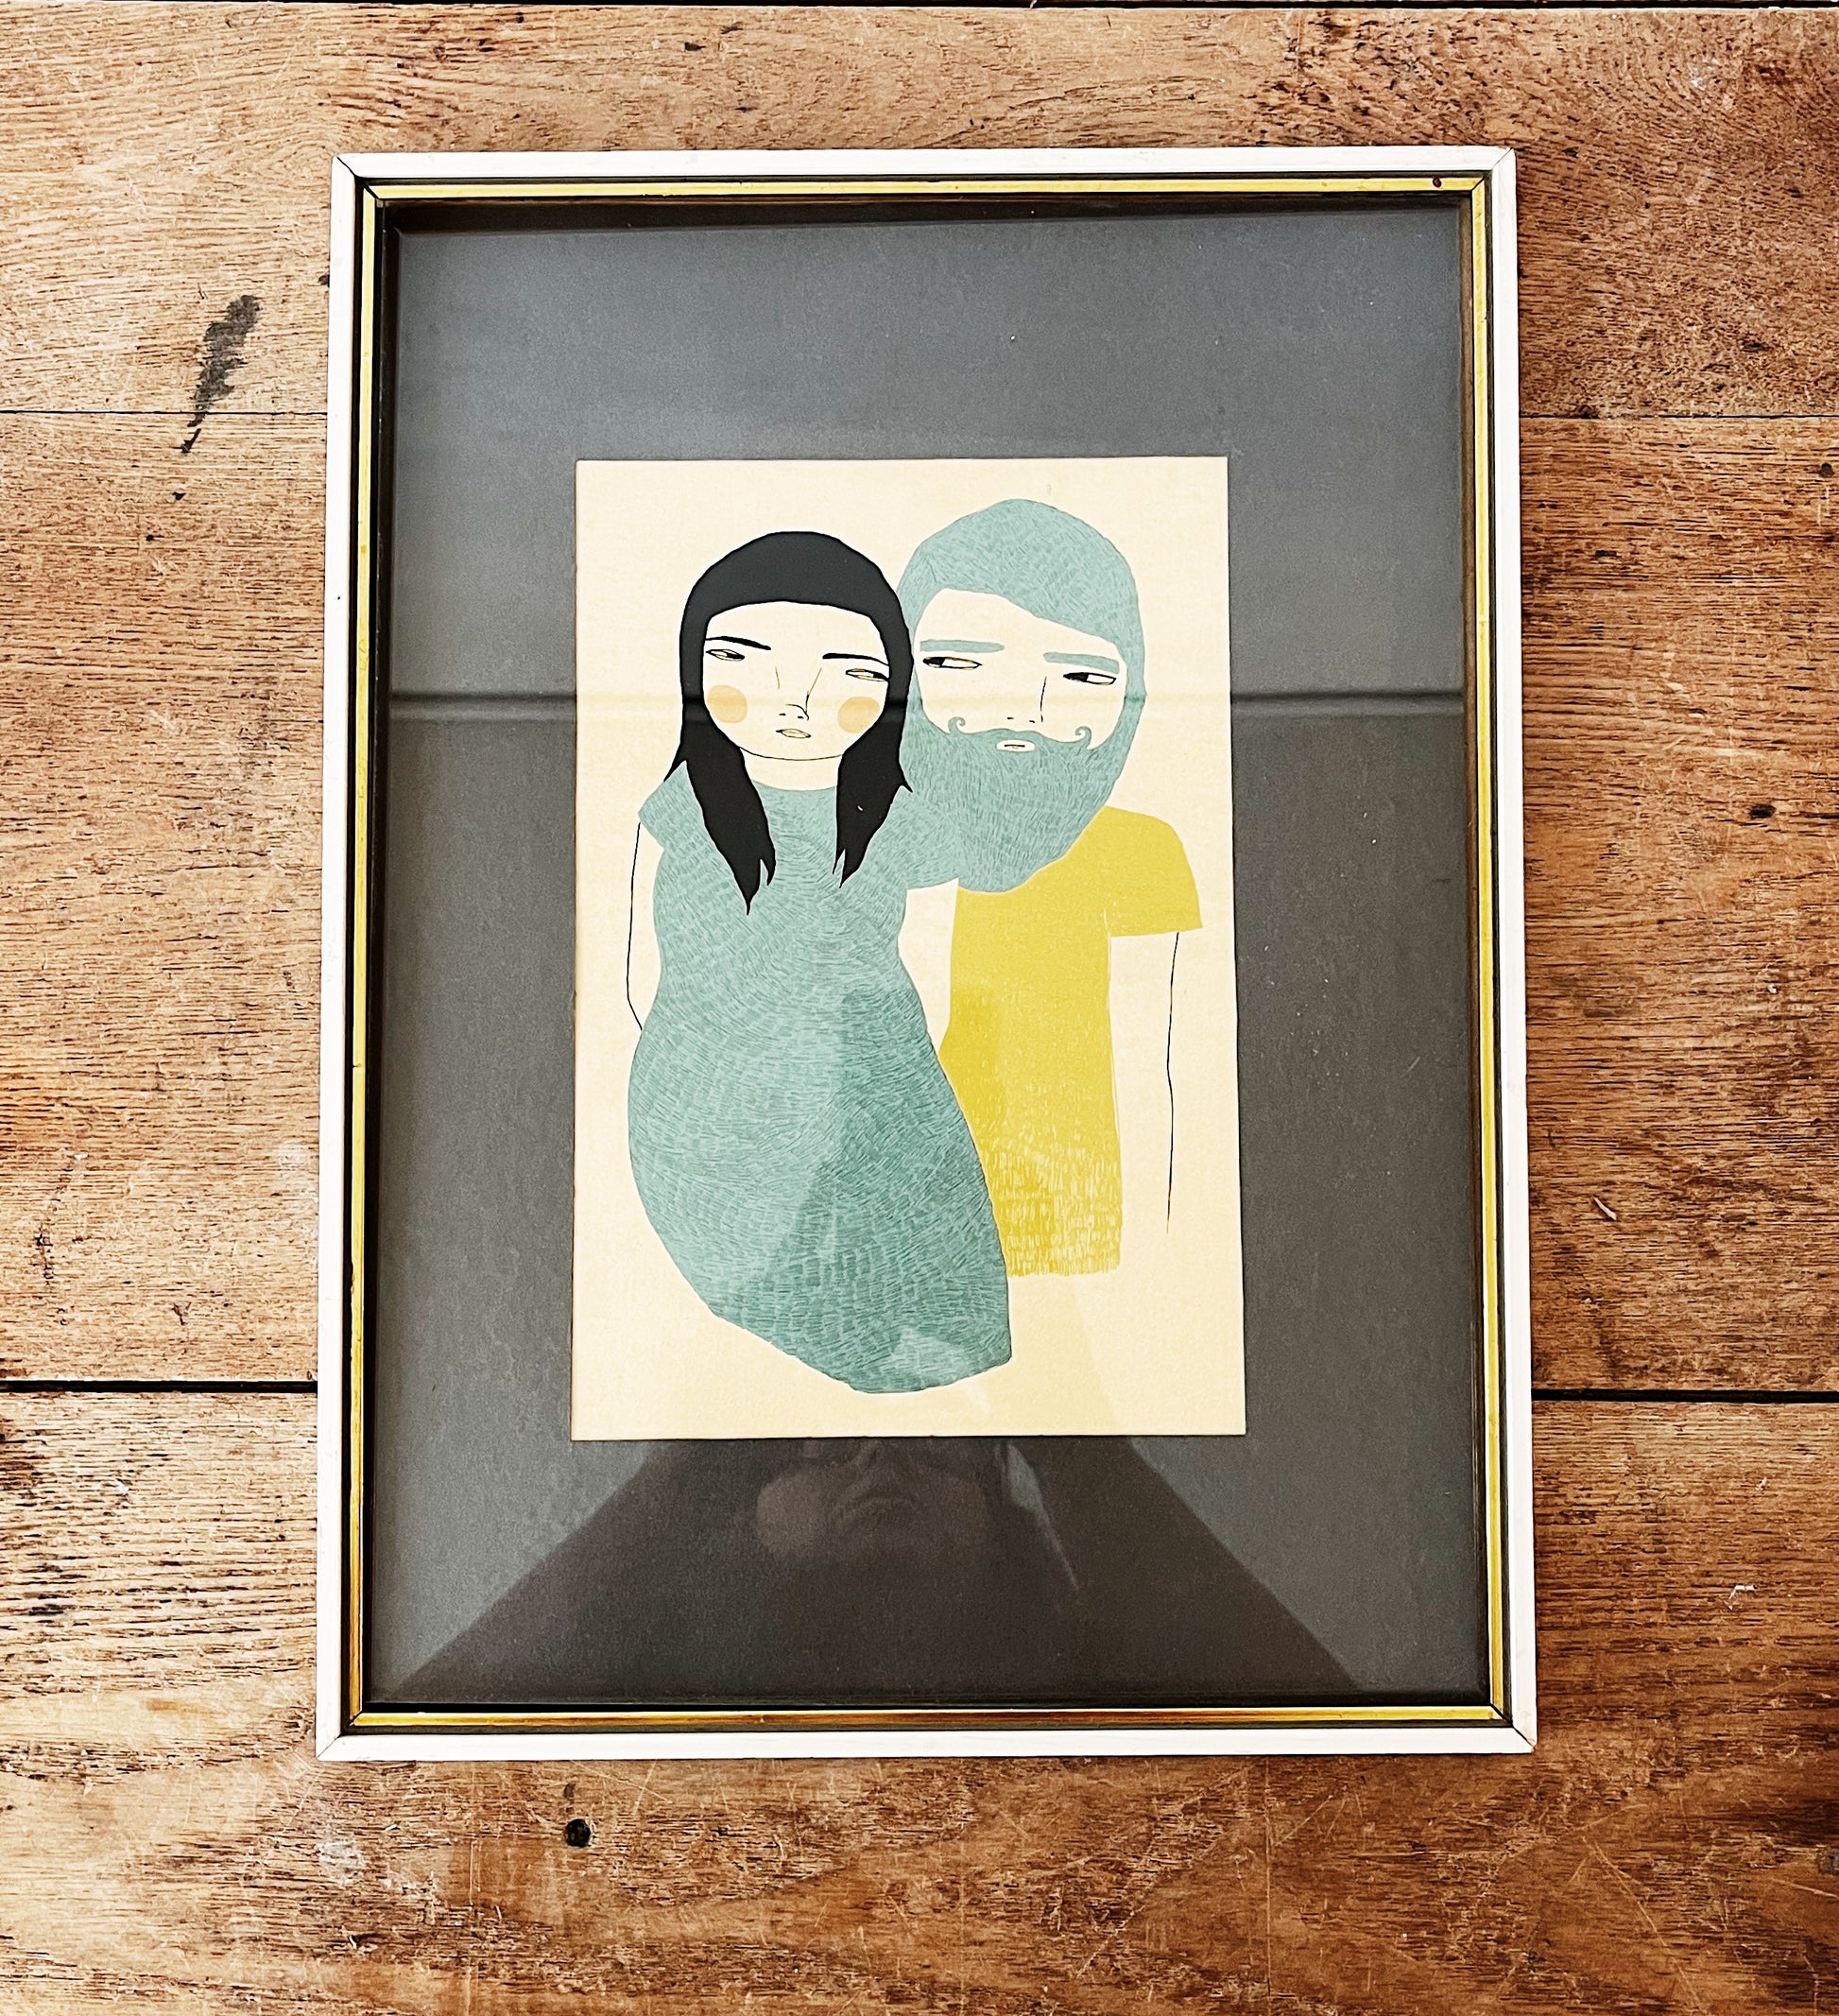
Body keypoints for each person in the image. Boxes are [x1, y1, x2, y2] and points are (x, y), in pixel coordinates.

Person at [624, 531, 1010, 1393]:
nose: (793, 700)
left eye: (846, 672)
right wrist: (726, 1066)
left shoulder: (899, 820)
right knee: (783, 1286)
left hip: (875, 1075)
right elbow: (633, 975)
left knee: (929, 1298)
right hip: (713, 1095)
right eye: (743, 661)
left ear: (892, 689)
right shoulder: (678, 812)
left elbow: (949, 956)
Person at [397, 1439, 1355, 1709]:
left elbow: (1323, 1744)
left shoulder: (1085, 1666)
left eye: (938, 1448)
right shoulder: (661, 1671)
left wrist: (1072, 1442)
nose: (883, 1460)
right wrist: (704, 1452)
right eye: (819, 1447)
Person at [898, 502, 1202, 1276]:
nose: (1021, 708)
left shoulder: (1138, 851)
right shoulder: (864, 845)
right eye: (961, 664)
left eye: (1080, 676)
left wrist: (1161, 1263)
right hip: (892, 1233)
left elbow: (1156, 1074)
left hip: (1074, 1228)